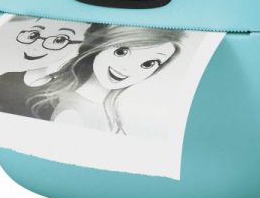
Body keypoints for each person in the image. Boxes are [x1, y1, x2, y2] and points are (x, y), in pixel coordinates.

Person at [27, 24, 184, 134]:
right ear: (100, 45)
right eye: (121, 52)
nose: (127, 68)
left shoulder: (115, 114)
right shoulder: (43, 84)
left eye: (148, 64)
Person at [0, 17, 90, 117]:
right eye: (33, 35)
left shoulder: (64, 93)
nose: (35, 46)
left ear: (79, 47)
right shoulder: (6, 78)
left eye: (59, 40)